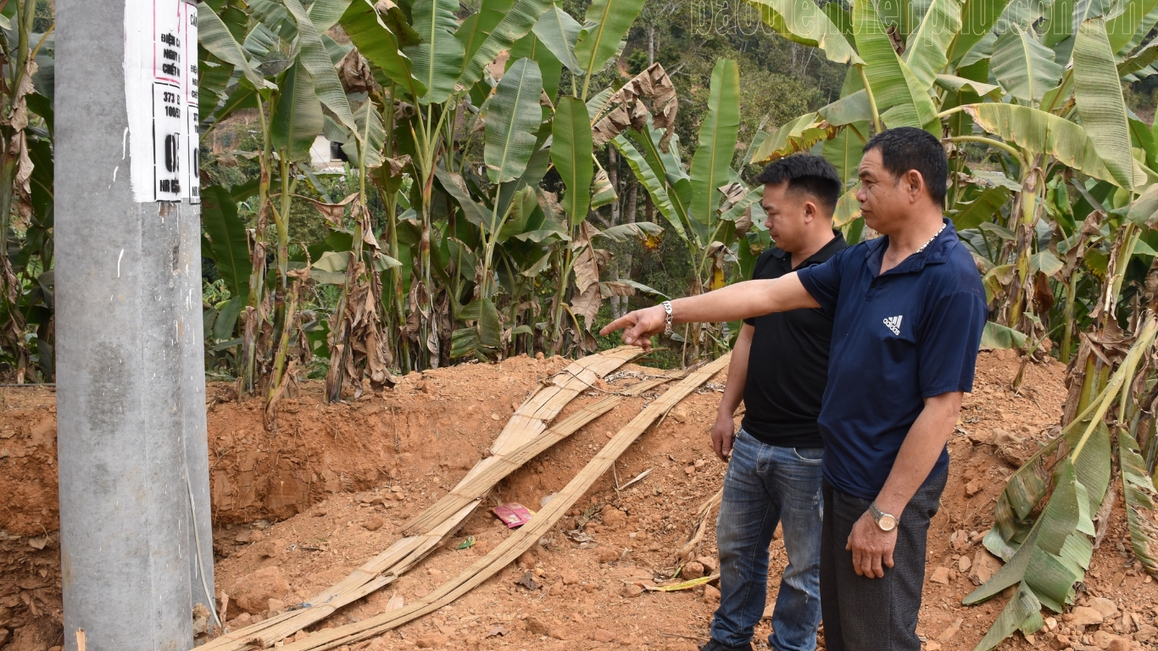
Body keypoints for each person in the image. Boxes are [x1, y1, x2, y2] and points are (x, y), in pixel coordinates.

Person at [602, 127, 987, 651]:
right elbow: (766, 294)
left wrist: (886, 513)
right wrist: (666, 312)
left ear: (913, 184)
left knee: (879, 637)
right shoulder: (864, 262)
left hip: (882, 492)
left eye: (870, 182)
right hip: (839, 478)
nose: (859, 195)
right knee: (846, 633)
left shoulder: (951, 279)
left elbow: (942, 410)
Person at [704, 155, 846, 651]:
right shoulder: (769, 263)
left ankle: (790, 645)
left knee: (806, 567)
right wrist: (727, 410)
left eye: (772, 212)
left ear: (810, 211)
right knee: (737, 548)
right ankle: (730, 638)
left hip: (811, 451)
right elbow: (747, 338)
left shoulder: (846, 273)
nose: (766, 222)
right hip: (753, 440)